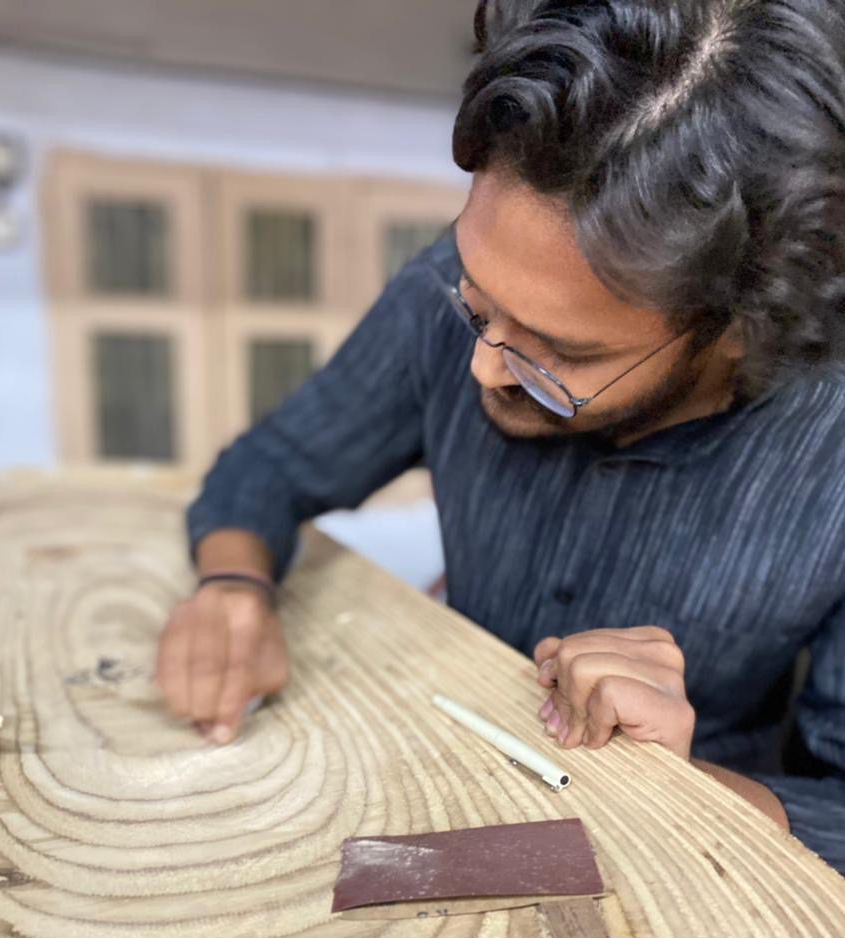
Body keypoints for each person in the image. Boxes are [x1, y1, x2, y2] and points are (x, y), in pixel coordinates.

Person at [157, 0, 845, 871]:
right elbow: (274, 464)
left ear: (741, 330)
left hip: (682, 871)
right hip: (432, 786)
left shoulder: (829, 449)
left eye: (564, 351)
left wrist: (679, 783)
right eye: (476, 304)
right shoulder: (459, 290)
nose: (484, 367)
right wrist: (232, 584)